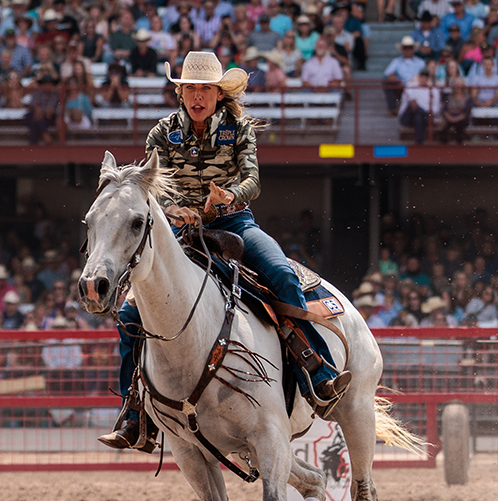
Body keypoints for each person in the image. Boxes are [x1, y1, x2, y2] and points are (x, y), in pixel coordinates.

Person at [99, 51, 352, 451]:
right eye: (190, 89)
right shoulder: (160, 134)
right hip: (178, 234)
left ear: (219, 94)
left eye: (205, 89)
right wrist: (171, 209)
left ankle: (317, 372)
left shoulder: (240, 128)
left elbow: (252, 178)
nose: (197, 96)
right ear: (181, 94)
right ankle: (135, 413)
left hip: (234, 223)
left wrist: (229, 195)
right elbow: (149, 188)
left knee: (282, 275)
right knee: (130, 313)